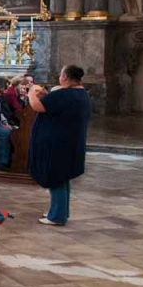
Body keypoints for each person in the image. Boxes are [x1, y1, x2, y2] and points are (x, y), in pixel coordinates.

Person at [28, 65, 91, 226]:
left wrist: (31, 93)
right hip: (70, 142)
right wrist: (47, 95)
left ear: (65, 77)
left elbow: (37, 106)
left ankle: (57, 216)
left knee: (55, 177)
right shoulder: (81, 93)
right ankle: (61, 211)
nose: (59, 77)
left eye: (61, 74)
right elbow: (58, 106)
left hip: (57, 143)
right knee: (63, 178)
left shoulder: (64, 94)